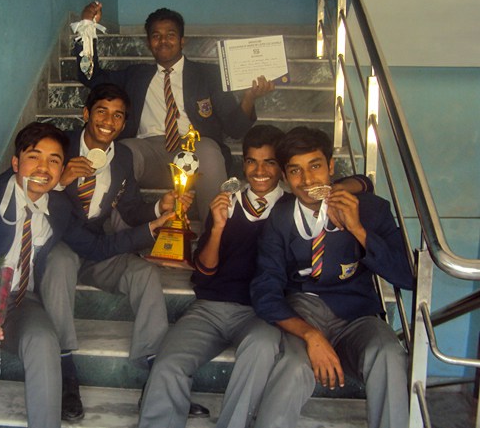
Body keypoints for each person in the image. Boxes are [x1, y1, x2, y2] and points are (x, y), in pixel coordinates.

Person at [0, 122, 165, 428]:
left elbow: (95, 246)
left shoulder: (59, 207)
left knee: (44, 341)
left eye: (54, 160)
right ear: (16, 163)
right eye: (34, 157)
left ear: (62, 169)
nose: (43, 168)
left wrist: (148, 230)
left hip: (21, 301)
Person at [137, 125, 373, 428]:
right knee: (169, 362)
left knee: (260, 349)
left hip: (261, 314)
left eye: (269, 163)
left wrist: (342, 188)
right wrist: (218, 227)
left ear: (283, 170)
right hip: (210, 308)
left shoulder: (294, 205)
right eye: (251, 161)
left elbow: (364, 182)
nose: (259, 171)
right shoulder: (228, 201)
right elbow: (204, 271)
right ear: (244, 163)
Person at [37, 83, 208, 421]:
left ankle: (158, 376)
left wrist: (160, 206)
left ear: (124, 123)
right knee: (60, 262)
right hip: (58, 245)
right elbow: (23, 185)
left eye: (118, 116)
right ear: (86, 113)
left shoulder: (124, 157)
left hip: (96, 247)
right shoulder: (58, 146)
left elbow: (129, 210)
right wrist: (59, 181)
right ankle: (63, 370)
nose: (108, 121)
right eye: (101, 111)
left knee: (144, 274)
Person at [250, 126, 413, 428]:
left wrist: (358, 230)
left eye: (315, 166)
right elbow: (264, 290)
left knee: (389, 353)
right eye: (295, 171)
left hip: (357, 312)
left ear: (331, 167)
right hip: (302, 309)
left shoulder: (370, 209)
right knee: (294, 364)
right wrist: (311, 335)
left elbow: (407, 276)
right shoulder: (280, 218)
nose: (307, 180)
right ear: (284, 177)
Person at [73, 2, 275, 227]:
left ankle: (215, 234)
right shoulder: (135, 75)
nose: (163, 41)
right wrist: (87, 27)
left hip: (195, 149)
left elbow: (235, 129)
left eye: (170, 35)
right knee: (122, 151)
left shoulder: (207, 75)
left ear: (182, 40)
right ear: (148, 42)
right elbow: (90, 76)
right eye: (156, 36)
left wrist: (249, 98)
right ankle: (120, 236)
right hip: (148, 151)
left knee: (209, 150)